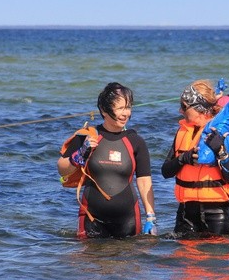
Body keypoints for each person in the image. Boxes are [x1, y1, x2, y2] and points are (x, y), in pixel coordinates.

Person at [57, 82, 156, 239]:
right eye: (120, 108)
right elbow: (62, 169)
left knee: (132, 262)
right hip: (91, 217)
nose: (126, 113)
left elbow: (144, 182)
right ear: (104, 110)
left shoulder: (136, 141)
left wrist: (151, 217)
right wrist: (79, 155)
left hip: (128, 219)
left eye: (128, 107)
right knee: (88, 262)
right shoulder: (86, 136)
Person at [161, 80, 229, 236]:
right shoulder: (182, 132)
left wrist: (220, 150)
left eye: (184, 106)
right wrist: (183, 159)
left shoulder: (222, 130)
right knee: (183, 259)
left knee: (216, 259)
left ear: (199, 108)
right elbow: (165, 171)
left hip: (216, 213)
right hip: (186, 213)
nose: (180, 111)